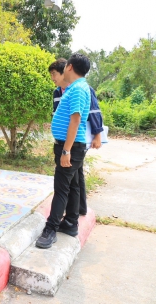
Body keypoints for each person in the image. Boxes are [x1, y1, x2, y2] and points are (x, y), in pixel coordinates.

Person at [36, 53, 91, 249]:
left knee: (61, 188)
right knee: (74, 185)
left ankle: (50, 229)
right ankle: (70, 223)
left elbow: (75, 120)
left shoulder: (77, 90)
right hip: (73, 146)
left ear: (69, 67)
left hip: (70, 147)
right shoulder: (78, 87)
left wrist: (66, 150)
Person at [49, 58, 104, 216]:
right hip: (65, 141)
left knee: (71, 180)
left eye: (54, 74)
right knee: (75, 179)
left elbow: (92, 113)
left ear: (66, 70)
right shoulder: (59, 92)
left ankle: (70, 215)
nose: (53, 78)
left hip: (74, 142)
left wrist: (97, 135)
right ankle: (76, 214)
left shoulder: (79, 89)